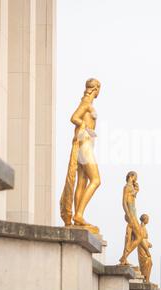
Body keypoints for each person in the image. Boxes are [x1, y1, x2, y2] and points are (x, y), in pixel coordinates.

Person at [60, 79, 102, 234]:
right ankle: (78, 214)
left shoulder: (89, 103)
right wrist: (84, 127)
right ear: (96, 89)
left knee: (82, 181)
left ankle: (79, 217)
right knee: (96, 180)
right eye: (98, 89)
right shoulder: (86, 102)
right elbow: (74, 117)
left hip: (86, 144)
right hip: (84, 144)